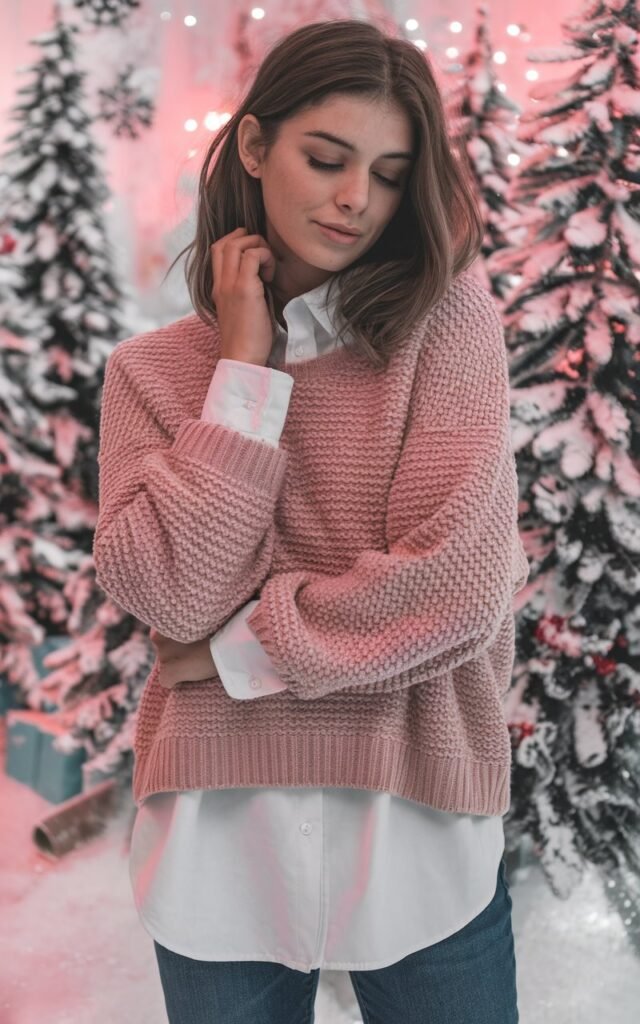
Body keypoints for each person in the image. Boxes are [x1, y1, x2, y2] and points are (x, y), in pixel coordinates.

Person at [93, 18, 529, 1024]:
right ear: (253, 147)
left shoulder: (448, 323)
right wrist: (244, 373)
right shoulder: (153, 374)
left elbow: (456, 586)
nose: (354, 200)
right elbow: (167, 591)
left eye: (385, 173)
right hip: (215, 849)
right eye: (325, 158)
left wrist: (233, 654)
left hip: (418, 832)